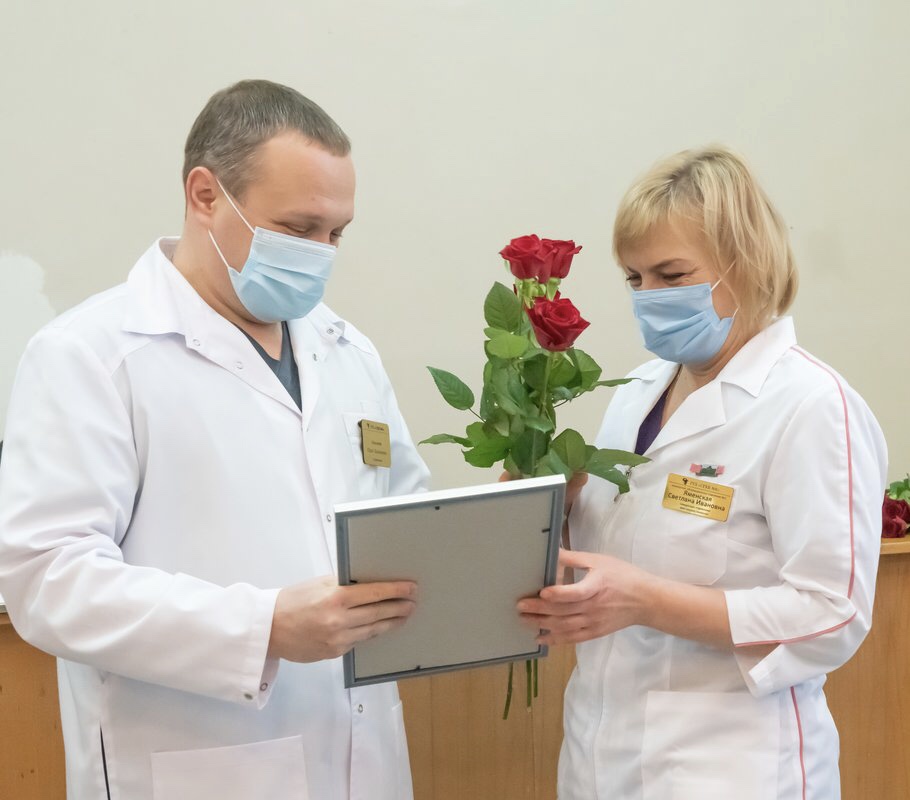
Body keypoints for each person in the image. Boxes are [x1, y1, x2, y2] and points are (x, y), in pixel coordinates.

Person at [0, 80, 429, 800]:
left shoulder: (347, 351)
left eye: (336, 233)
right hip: (196, 761)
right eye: (298, 228)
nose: (321, 254)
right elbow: (47, 578)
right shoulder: (91, 355)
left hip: (362, 752)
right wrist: (262, 627)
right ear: (205, 195)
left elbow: (403, 513)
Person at [517, 146, 887, 799]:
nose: (649, 298)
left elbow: (833, 613)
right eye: (634, 278)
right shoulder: (635, 394)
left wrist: (646, 601)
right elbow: (606, 558)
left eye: (672, 275)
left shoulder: (810, 406)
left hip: (732, 767)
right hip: (602, 758)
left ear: (747, 263)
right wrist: (543, 512)